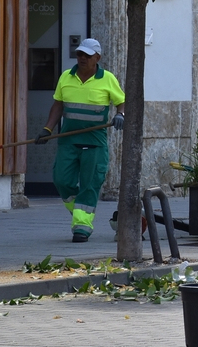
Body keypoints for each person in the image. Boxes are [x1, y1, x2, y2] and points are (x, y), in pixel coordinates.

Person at [36, 38, 125, 243]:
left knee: (90, 185)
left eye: (87, 55)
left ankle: (82, 227)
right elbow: (58, 106)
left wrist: (121, 115)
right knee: (61, 180)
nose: (82, 58)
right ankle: (80, 211)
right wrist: (47, 129)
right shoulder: (66, 77)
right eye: (79, 54)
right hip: (68, 140)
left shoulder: (107, 79)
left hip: (94, 142)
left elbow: (121, 102)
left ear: (97, 58)